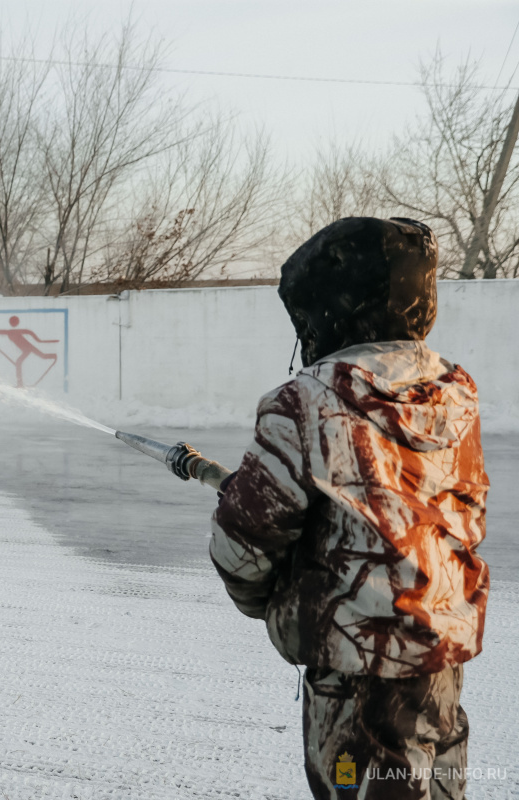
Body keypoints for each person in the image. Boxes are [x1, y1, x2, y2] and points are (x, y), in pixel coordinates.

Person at [209, 217, 489, 800]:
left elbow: (244, 542)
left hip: (357, 678)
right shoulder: (456, 392)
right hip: (440, 662)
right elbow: (463, 513)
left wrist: (273, 605)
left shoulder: (306, 400)